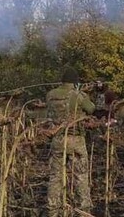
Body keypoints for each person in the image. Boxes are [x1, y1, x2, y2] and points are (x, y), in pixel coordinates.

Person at [45, 66, 96, 216]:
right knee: (80, 174)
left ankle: (53, 209)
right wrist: (82, 92)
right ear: (75, 82)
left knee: (55, 176)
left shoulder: (50, 95)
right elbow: (91, 109)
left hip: (57, 139)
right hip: (76, 139)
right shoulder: (78, 95)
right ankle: (83, 209)